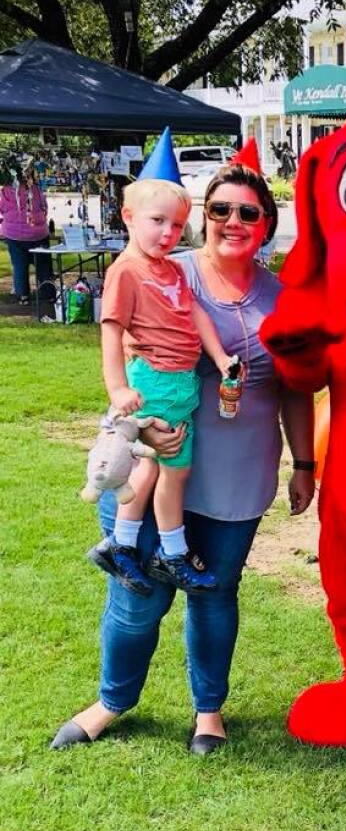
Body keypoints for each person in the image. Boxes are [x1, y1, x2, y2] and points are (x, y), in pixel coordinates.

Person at [51, 163, 315, 754]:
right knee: (137, 592)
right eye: (221, 209)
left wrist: (304, 462)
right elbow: (124, 354)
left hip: (239, 475)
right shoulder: (166, 269)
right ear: (205, 217)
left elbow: (294, 387)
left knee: (215, 592)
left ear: (267, 224)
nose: (233, 222)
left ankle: (209, 713)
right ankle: (111, 702)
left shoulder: (282, 298)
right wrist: (143, 429)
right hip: (156, 459)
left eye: (249, 212)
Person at [87, 177, 236, 595]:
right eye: (157, 221)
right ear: (129, 218)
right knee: (163, 467)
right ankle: (163, 552)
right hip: (152, 380)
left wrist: (221, 358)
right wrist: (117, 390)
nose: (168, 233)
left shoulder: (171, 269)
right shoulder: (126, 271)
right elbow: (111, 332)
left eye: (177, 225)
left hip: (181, 384)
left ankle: (127, 546)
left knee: (163, 467)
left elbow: (196, 316)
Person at [0, 163, 53, 305]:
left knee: (19, 265)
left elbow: (2, 208)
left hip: (14, 235)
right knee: (43, 265)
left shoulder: (5, 191)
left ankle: (23, 295)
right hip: (38, 233)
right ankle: (48, 293)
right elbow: (44, 207)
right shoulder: (35, 189)